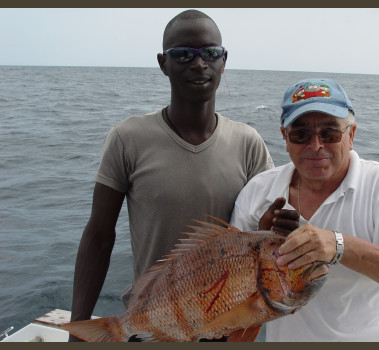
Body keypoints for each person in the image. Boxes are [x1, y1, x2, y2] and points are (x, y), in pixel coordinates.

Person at [68, 9, 274, 341]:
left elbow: (264, 232)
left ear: (224, 61)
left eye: (210, 53)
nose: (198, 64)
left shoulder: (249, 143)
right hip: (153, 323)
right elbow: (98, 235)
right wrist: (78, 328)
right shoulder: (127, 138)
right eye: (182, 54)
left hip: (226, 325)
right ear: (164, 63)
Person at [231, 78, 379, 341]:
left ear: (350, 135)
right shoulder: (258, 191)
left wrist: (338, 245)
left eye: (329, 133)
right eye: (300, 135)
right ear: (285, 138)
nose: (315, 145)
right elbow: (231, 295)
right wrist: (260, 243)